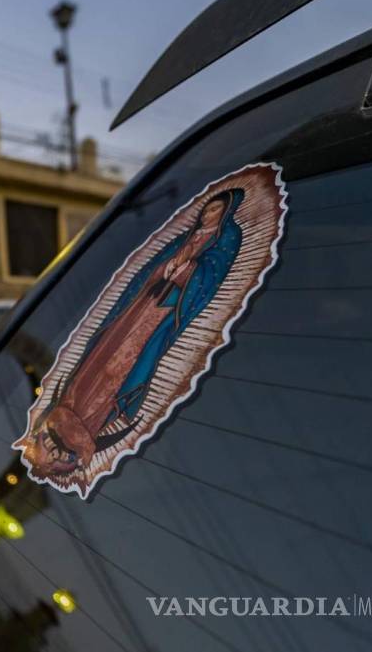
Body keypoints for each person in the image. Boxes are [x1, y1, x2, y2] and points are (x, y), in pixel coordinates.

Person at [20, 189, 244, 476]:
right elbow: (150, 270)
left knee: (126, 365)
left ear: (225, 214)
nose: (208, 214)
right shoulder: (184, 238)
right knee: (103, 354)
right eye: (208, 209)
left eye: (215, 210)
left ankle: (91, 421)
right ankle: (72, 404)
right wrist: (166, 269)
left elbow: (212, 274)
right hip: (143, 304)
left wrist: (189, 272)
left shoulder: (225, 239)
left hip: (166, 311)